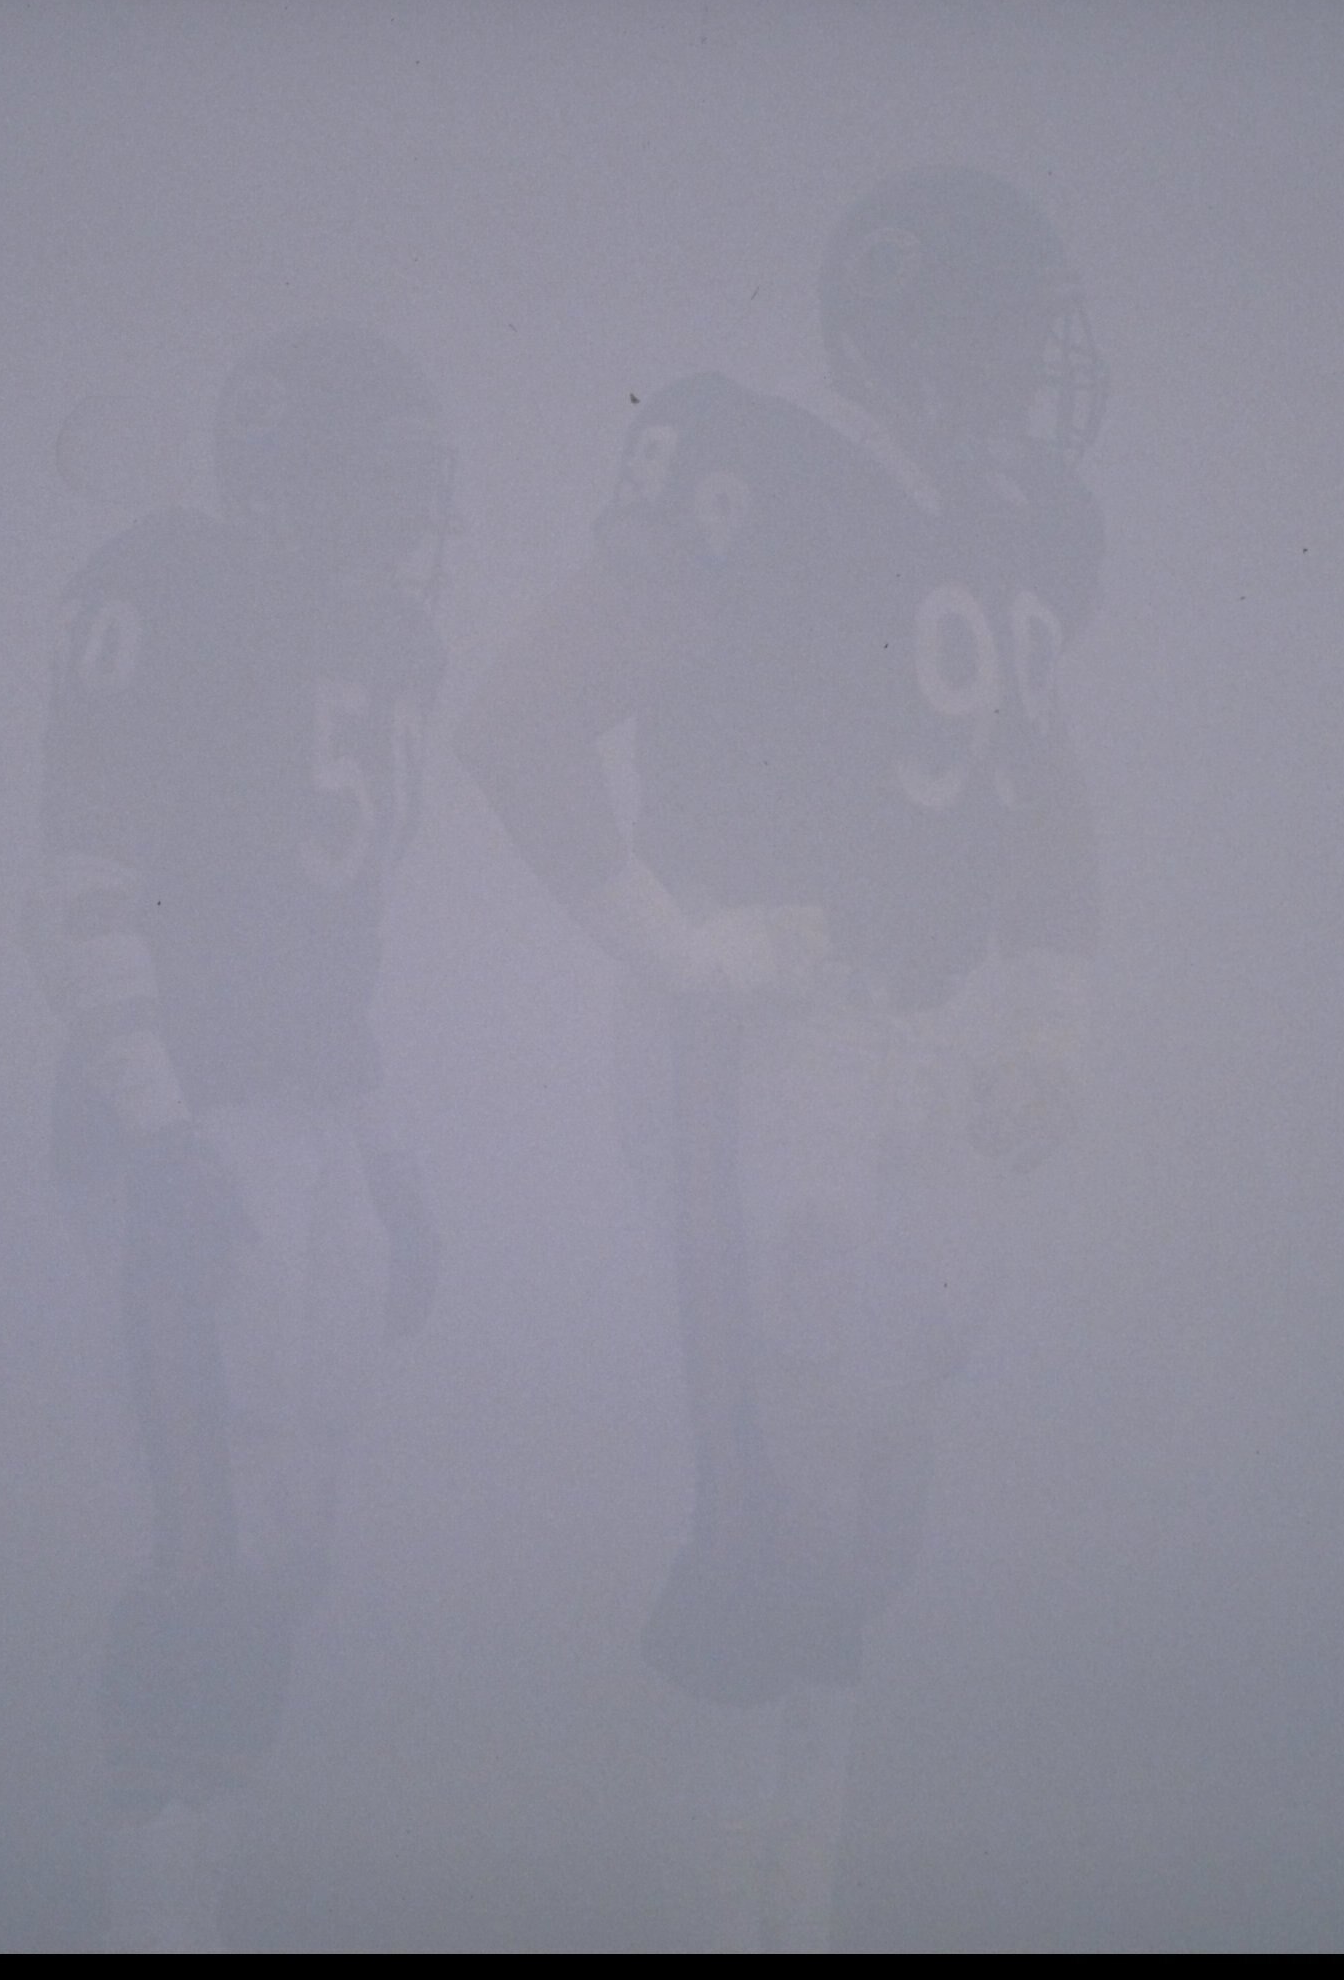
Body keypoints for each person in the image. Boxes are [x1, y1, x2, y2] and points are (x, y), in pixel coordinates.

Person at [460, 165, 1109, 1950]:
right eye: (998, 322)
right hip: (765, 1047)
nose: (1030, 367)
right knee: (770, 1509)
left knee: (875, 1508)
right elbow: (521, 714)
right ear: (904, 322)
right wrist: (673, 944)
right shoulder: (763, 465)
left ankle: (787, 1906)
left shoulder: (1017, 520)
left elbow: (1038, 784)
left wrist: (1050, 1007)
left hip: (933, 1043)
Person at [21, 323, 451, 1952]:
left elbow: (343, 930)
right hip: (186, 1118)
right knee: (206, 1541)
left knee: (292, 1549)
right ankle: (156, 1915)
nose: (407, 511)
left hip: (308, 1113)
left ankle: (202, 1889)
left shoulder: (377, 644)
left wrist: (379, 1137)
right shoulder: (174, 587)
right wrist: (155, 1120)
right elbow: (87, 860)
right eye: (381, 470)